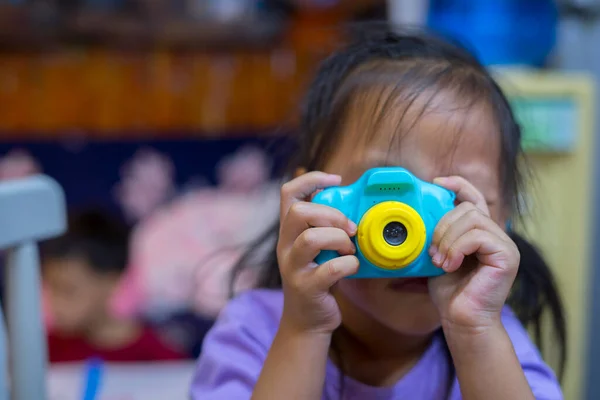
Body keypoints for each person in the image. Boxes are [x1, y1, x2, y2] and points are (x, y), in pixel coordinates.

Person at [191, 27, 566, 399]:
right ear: (310, 200)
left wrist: (477, 335)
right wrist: (303, 330)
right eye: (387, 197)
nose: (416, 231)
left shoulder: (495, 339)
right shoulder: (253, 330)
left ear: (504, 222)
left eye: (455, 202)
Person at [42, 209, 186, 363]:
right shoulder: (44, 352)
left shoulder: (160, 359)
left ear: (111, 282)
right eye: (51, 288)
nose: (55, 302)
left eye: (68, 290)